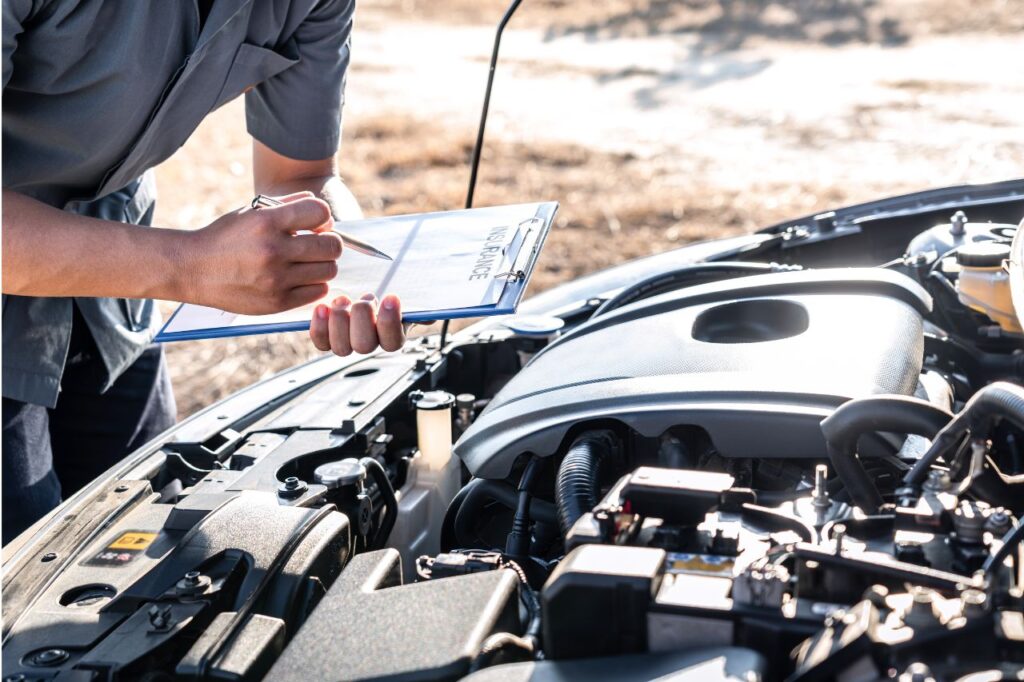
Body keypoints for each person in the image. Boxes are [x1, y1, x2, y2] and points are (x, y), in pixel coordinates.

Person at [1, 0, 403, 543]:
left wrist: (347, 272)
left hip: (113, 297)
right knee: (21, 586)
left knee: (140, 540)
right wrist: (187, 265)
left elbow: (300, 176)